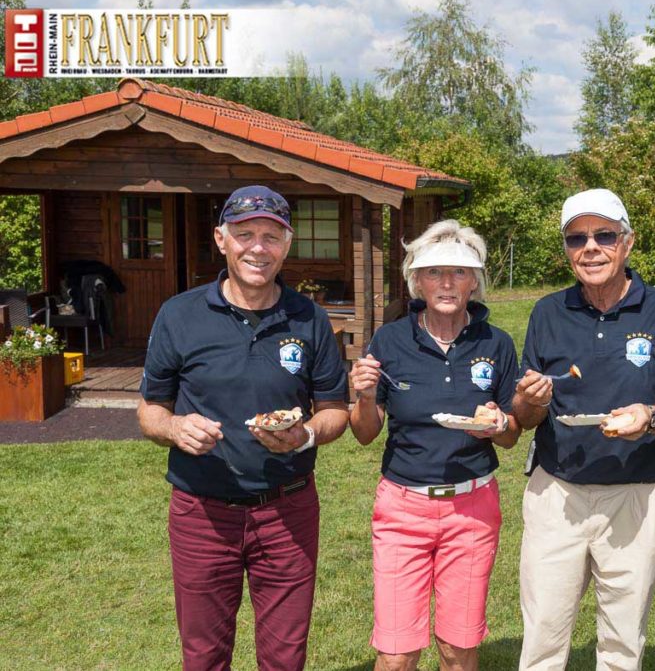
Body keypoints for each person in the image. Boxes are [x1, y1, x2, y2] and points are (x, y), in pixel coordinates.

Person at [137, 185, 350, 671]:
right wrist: (173, 428)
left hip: (288, 508)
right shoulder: (180, 314)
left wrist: (307, 435)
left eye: (271, 236)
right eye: (245, 234)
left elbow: (335, 407)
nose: (258, 247)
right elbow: (149, 409)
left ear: (287, 244)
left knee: (284, 655)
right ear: (221, 239)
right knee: (204, 655)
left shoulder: (309, 318)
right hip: (201, 512)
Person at [514, 188, 655, 671]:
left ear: (627, 243)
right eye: (576, 238)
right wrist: (528, 400)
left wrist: (652, 416)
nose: (590, 248)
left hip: (637, 497)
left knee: (623, 642)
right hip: (557, 493)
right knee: (542, 636)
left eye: (604, 234)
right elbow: (524, 416)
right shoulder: (547, 313)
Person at [348, 220, 521, 671]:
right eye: (434, 272)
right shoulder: (390, 339)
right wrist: (365, 396)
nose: (447, 282)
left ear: (475, 282)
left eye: (459, 272)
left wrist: (500, 423)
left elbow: (512, 434)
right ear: (416, 281)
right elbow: (366, 432)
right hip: (403, 509)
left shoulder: (497, 344)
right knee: (397, 651)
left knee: (459, 647)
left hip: (473, 508)